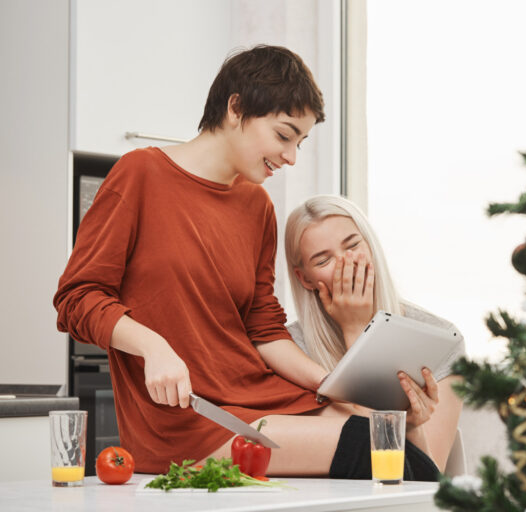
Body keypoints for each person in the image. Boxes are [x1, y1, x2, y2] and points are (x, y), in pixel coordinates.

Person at [54, 45, 439, 479]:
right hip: (185, 420)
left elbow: (263, 329)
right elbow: (77, 298)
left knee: (400, 444)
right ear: (236, 109)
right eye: (283, 135)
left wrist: (327, 384)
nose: (291, 156)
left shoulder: (256, 205)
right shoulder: (139, 174)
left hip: (260, 395)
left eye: (300, 142)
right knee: (381, 454)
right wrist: (154, 346)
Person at [284, 195, 466, 472]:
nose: (347, 262)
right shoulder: (289, 349)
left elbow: (428, 473)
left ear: (371, 245)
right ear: (305, 278)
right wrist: (355, 327)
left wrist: (413, 428)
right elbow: (354, 456)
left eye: (353, 245)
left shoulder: (440, 339)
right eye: (323, 260)